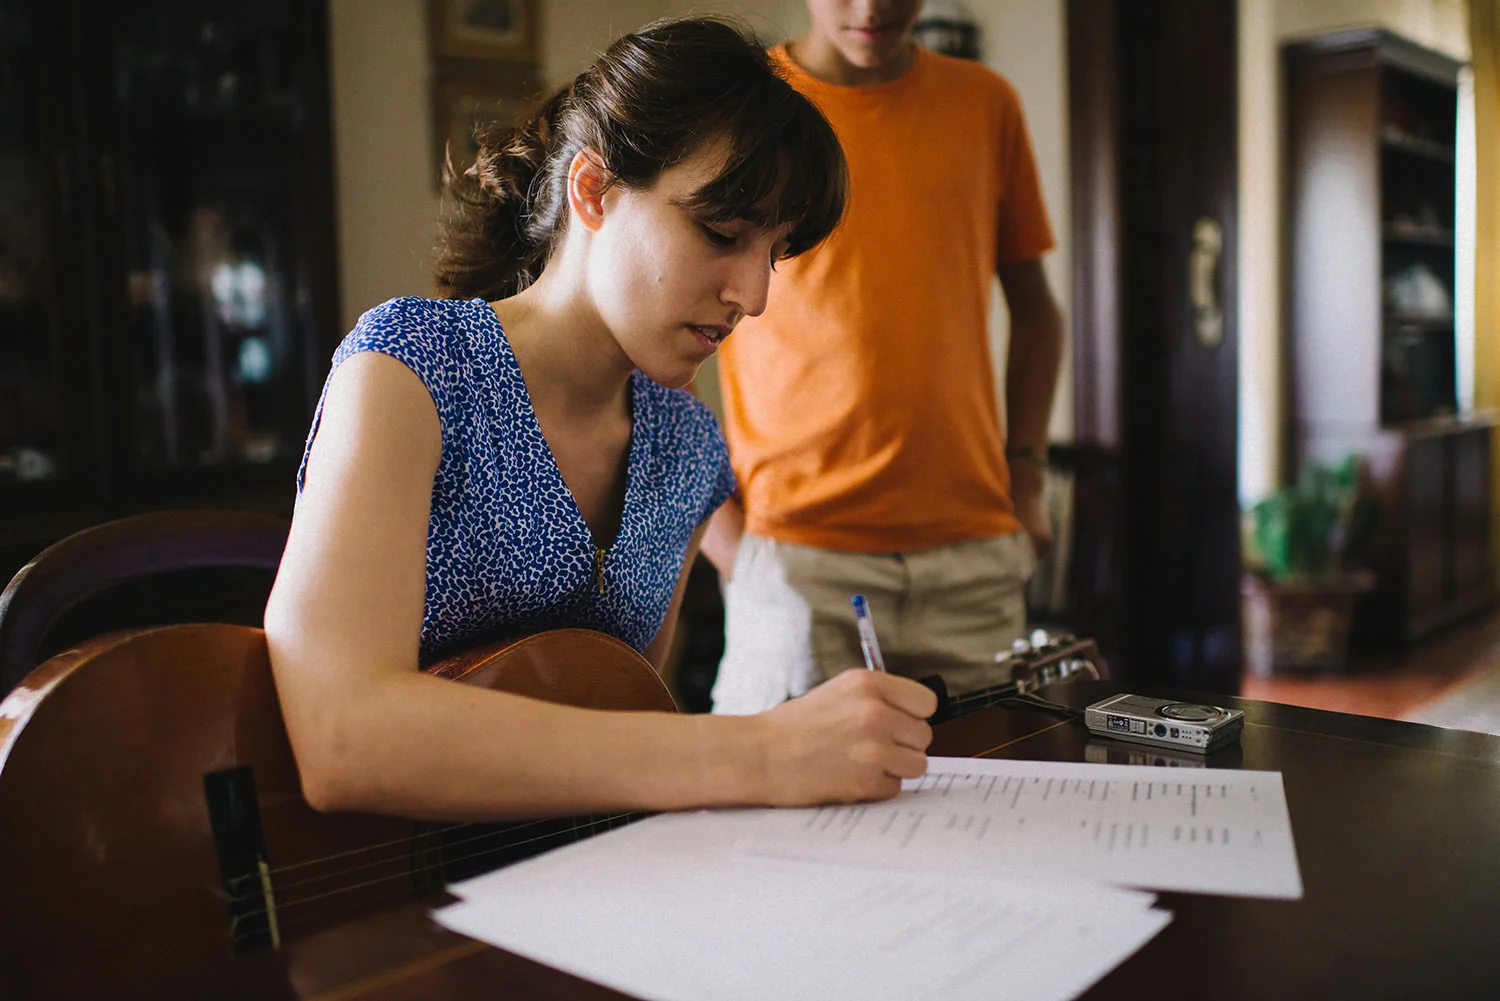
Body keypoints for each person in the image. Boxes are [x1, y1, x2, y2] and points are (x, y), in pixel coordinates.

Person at [263, 17, 936, 823]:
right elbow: (344, 736)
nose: (753, 296)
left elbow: (628, 726)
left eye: (774, 250)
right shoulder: (411, 370)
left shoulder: (687, 450)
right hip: (383, 900)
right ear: (593, 189)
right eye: (721, 233)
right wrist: (758, 749)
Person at [705, 0, 1066, 714]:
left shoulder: (985, 103)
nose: (873, 8)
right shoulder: (747, 108)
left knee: (993, 811)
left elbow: (1038, 312)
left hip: (972, 555)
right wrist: (726, 538)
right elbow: (673, 313)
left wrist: (1026, 480)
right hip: (794, 557)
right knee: (777, 819)